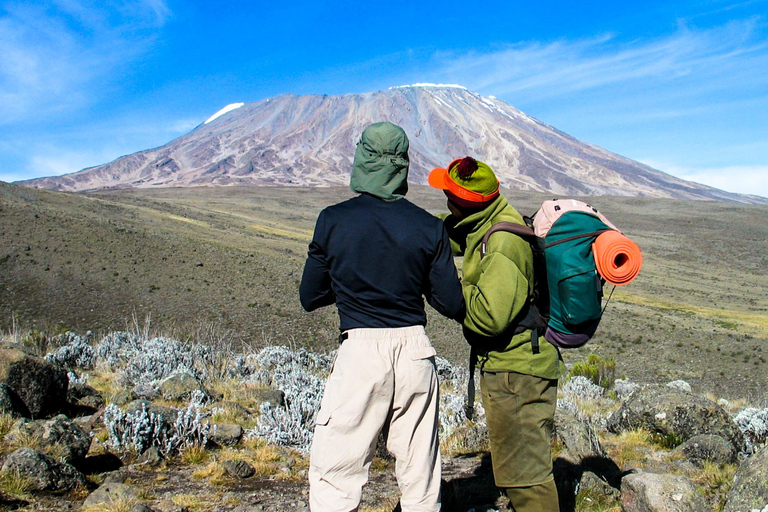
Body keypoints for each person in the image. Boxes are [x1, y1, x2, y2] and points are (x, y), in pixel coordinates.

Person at [299, 121, 465, 512]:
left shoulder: (332, 220)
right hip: (414, 353)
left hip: (359, 353)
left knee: (336, 471)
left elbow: (310, 296)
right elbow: (451, 303)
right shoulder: (428, 227)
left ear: (362, 159)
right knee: (419, 471)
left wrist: (349, 285)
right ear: (403, 165)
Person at [428, 156, 565, 512]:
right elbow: (455, 235)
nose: (444, 199)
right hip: (512, 369)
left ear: (464, 203)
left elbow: (489, 319)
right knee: (521, 472)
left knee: (527, 480)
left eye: (448, 195)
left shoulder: (503, 243)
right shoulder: (484, 222)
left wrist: (451, 291)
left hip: (518, 373)